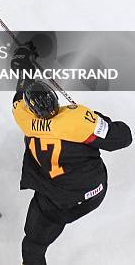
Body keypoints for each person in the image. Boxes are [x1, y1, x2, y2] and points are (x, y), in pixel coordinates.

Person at [11, 44, 132, 265]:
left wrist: (22, 68)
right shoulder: (78, 122)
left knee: (33, 247)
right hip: (94, 192)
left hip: (55, 201)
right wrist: (97, 120)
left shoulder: (24, 119)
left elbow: (19, 98)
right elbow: (123, 138)